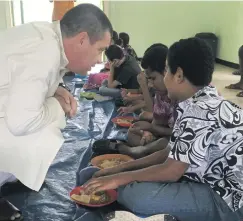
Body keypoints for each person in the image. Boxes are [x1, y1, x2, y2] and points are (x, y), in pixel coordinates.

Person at [82, 38, 243, 221]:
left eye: (166, 70)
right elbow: (168, 153)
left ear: (179, 75)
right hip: (215, 184)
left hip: (228, 201)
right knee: (130, 182)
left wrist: (119, 178)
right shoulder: (203, 99)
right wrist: (120, 169)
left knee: (135, 195)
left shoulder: (198, 111)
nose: (164, 78)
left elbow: (171, 171)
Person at [0, 3, 112, 220]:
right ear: (81, 39)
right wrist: (57, 107)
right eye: (100, 50)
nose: (100, 60)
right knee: (49, 125)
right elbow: (22, 122)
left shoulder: (46, 36)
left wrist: (55, 89)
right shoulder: (43, 52)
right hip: (13, 121)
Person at [117, 44, 176, 159]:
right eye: (149, 80)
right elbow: (156, 117)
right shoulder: (160, 92)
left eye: (153, 78)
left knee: (164, 143)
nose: (151, 84)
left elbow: (176, 133)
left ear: (166, 71)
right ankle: (147, 150)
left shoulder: (178, 94)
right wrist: (147, 132)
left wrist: (151, 128)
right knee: (133, 131)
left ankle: (142, 151)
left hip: (170, 138)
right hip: (160, 133)